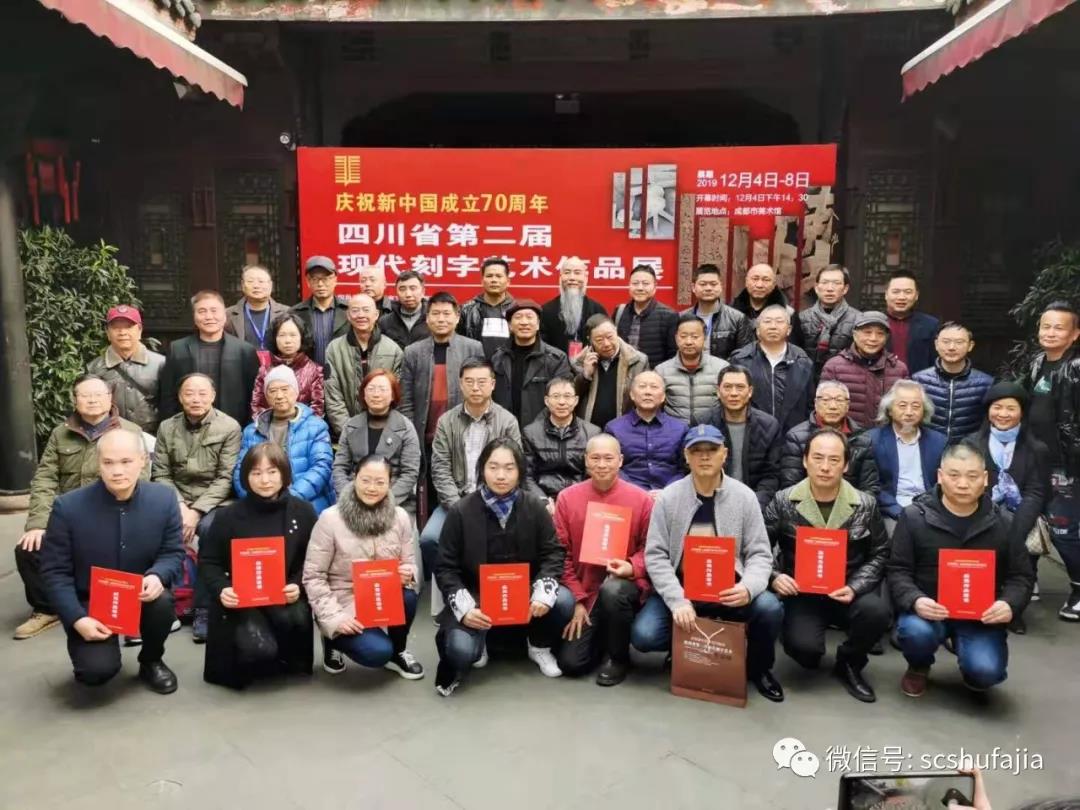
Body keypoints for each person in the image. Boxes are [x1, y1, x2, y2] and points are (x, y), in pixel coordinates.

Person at [632, 425, 785, 702]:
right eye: (696, 451)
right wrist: (677, 600)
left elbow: (760, 554)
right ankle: (684, 649)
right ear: (686, 456)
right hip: (682, 588)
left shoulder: (745, 497)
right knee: (645, 635)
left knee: (769, 607)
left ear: (724, 454)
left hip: (730, 590)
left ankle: (759, 668)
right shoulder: (669, 497)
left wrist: (748, 588)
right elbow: (656, 555)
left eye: (712, 450)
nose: (704, 457)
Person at [39, 429, 184, 693]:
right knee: (95, 672)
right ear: (98, 463)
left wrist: (158, 574)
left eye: (126, 461)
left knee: (162, 601)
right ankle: (95, 653)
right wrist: (76, 619)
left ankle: (151, 659)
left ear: (143, 460)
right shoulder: (67, 507)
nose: (117, 471)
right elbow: (54, 572)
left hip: (140, 594)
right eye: (108, 462)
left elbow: (173, 552)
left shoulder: (163, 499)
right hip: (90, 601)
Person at [887, 441, 1034, 698]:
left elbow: (1021, 576)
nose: (963, 484)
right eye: (954, 475)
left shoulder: (1004, 522)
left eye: (972, 476)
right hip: (930, 611)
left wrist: (1009, 604)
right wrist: (915, 600)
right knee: (915, 632)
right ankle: (919, 665)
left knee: (986, 672)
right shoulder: (914, 517)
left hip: (980, 617)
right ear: (940, 476)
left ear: (985, 479)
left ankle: (970, 658)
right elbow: (898, 569)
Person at [432, 439, 574, 696]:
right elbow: (445, 567)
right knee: (460, 651)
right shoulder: (461, 511)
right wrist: (465, 608)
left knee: (563, 600)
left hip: (525, 592)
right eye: (493, 467)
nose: (500, 475)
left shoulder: (535, 507)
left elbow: (553, 553)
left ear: (520, 471)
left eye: (509, 468)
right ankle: (481, 639)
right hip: (476, 595)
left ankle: (538, 645)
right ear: (482, 469)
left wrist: (543, 590)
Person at [14, 375, 144, 640]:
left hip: (111, 512)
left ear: (110, 399)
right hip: (67, 514)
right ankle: (46, 608)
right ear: (75, 400)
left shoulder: (129, 432)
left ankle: (115, 604)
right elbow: (45, 478)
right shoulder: (60, 433)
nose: (92, 400)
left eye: (98, 395)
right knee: (29, 547)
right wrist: (38, 523)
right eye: (85, 395)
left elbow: (138, 480)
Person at [765, 428, 891, 702]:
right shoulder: (784, 500)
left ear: (846, 465)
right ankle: (797, 636)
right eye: (818, 458)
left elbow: (881, 552)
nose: (825, 467)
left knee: (877, 612)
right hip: (802, 592)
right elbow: (759, 547)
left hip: (848, 588)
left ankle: (850, 662)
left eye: (834, 460)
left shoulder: (865, 505)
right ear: (804, 460)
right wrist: (775, 576)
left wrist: (855, 586)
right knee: (806, 654)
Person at [199, 442, 317, 689]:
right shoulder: (227, 516)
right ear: (246, 477)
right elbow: (209, 561)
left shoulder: (303, 512)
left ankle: (285, 655)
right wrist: (222, 589)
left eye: (272, 472)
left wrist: (297, 585)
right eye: (256, 473)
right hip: (242, 602)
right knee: (259, 649)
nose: (265, 480)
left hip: (283, 597)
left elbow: (312, 561)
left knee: (297, 617)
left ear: (284, 474)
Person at [304, 454, 424, 679]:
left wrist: (408, 574)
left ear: (390, 483)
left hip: (379, 596)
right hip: (343, 600)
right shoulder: (330, 519)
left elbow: (409, 563)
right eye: (365, 480)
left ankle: (399, 651)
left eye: (380, 482)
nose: (372, 488)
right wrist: (335, 619)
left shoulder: (400, 517)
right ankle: (332, 639)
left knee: (408, 596)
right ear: (354, 478)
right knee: (378, 652)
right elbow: (313, 576)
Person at [554, 434, 653, 685]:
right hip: (585, 590)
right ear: (586, 460)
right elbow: (560, 553)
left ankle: (618, 658)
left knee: (613, 590)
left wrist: (632, 566)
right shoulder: (567, 498)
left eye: (608, 458)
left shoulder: (641, 499)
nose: (601, 464)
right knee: (571, 664)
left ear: (620, 460)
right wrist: (577, 600)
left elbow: (651, 548)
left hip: (623, 588)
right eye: (595, 458)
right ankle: (600, 638)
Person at [151, 373, 242, 643]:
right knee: (152, 527)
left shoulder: (229, 427)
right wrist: (179, 505)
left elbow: (225, 478)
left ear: (213, 396)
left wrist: (196, 511)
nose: (196, 399)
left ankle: (204, 608)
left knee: (212, 531)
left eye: (203, 393)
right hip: (175, 498)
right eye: (189, 393)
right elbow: (161, 473)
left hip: (214, 501)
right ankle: (164, 604)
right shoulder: (167, 427)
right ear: (180, 397)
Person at [421, 359, 522, 582]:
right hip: (455, 501)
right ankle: (452, 586)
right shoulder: (446, 421)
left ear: (492, 384)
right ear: (460, 384)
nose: (475, 388)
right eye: (469, 382)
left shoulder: (507, 421)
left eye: (482, 382)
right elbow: (440, 469)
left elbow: (514, 468)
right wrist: (459, 508)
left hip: (496, 502)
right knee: (429, 539)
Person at [968, 382, 1051, 634]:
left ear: (1022, 412)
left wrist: (1017, 526)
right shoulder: (971, 444)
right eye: (997, 407)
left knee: (1019, 549)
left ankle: (1013, 610)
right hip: (980, 512)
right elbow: (967, 485)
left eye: (1011, 408)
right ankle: (980, 604)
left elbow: (1037, 491)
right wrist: (993, 517)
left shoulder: (1037, 449)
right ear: (988, 410)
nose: (1003, 414)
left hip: (1021, 515)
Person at [1022, 302, 1080, 621]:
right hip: (1034, 460)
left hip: (1066, 464)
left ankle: (1079, 589)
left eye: (1059, 327)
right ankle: (1026, 581)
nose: (1051, 332)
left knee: (1063, 529)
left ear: (1074, 334)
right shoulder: (1036, 362)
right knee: (1027, 519)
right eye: (1046, 326)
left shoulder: (1077, 367)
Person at [234, 366, 335, 514]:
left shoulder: (315, 426)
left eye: (285, 389)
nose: (279, 396)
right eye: (273, 391)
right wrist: (254, 500)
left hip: (306, 502)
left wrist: (289, 498)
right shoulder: (252, 430)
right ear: (266, 396)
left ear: (296, 391)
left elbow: (322, 467)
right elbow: (240, 470)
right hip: (259, 503)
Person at [159, 290, 260, 427]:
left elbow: (254, 396)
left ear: (224, 315)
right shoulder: (177, 348)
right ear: (194, 317)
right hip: (188, 426)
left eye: (214, 311)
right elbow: (168, 394)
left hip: (233, 426)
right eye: (202, 311)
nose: (209, 316)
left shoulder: (244, 350)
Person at [399, 292, 485, 454]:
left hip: (463, 433)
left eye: (446, 314)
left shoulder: (473, 348)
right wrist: (410, 434)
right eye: (435, 313)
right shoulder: (413, 352)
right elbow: (406, 400)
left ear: (457, 317)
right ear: (427, 318)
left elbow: (482, 393)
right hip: (423, 434)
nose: (441, 319)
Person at [332, 370, 421, 518]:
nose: (376, 394)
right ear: (363, 394)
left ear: (393, 395)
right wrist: (349, 498)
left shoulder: (405, 428)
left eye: (382, 389)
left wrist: (385, 501)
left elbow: (410, 473)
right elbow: (340, 467)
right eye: (371, 389)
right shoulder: (351, 426)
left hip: (394, 500)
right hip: (354, 498)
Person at [870, 380, 947, 534]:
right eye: (902, 405)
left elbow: (943, 484)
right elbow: (874, 487)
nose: (909, 412)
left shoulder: (939, 441)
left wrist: (926, 510)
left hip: (930, 509)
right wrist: (899, 512)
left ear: (924, 410)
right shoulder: (873, 440)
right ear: (890, 410)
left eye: (916, 406)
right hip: (890, 511)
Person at [323, 293, 404, 438]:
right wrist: (349, 433)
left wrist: (383, 430)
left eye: (366, 310)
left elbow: (397, 395)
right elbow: (333, 396)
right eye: (355, 310)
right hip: (346, 432)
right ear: (348, 316)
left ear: (376, 314)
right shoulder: (334, 349)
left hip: (385, 432)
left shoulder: (393, 350)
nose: (361, 315)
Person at [705, 365, 783, 510]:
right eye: (727, 387)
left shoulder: (769, 425)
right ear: (718, 391)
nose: (733, 393)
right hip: (712, 501)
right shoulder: (703, 423)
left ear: (750, 391)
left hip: (754, 503)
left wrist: (754, 505)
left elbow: (771, 475)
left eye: (740, 387)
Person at [780, 380, 879, 493]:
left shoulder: (862, 438)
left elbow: (870, 487)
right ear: (816, 403)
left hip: (852, 500)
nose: (833, 406)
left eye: (839, 400)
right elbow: (791, 486)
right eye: (826, 400)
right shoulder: (797, 437)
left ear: (847, 405)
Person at [729, 304, 815, 434]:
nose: (773, 326)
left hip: (793, 435)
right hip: (752, 434)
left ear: (789, 329)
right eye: (767, 321)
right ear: (757, 330)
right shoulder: (740, 360)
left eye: (779, 322)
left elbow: (810, 405)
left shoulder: (803, 362)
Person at [522, 377, 600, 512]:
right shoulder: (531, 433)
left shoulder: (592, 433)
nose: (562, 402)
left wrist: (577, 499)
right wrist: (542, 501)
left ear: (576, 400)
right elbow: (526, 475)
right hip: (544, 497)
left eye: (567, 396)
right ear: (546, 401)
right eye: (556, 396)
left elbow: (593, 474)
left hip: (580, 498)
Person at [491, 299, 572, 428]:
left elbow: (561, 399)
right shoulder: (498, 358)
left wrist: (535, 430)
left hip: (542, 430)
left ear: (538, 324)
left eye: (529, 317)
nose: (524, 322)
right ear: (510, 325)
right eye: (518, 317)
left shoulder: (556, 359)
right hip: (504, 428)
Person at [821, 311, 908, 428]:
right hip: (847, 435)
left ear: (886, 338)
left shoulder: (899, 369)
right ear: (854, 335)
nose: (873, 338)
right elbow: (823, 407)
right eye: (867, 332)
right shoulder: (834, 366)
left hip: (885, 435)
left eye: (880, 334)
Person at [606, 371, 688, 494]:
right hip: (627, 494)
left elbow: (685, 468)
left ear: (663, 396)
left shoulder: (680, 428)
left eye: (654, 387)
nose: (648, 392)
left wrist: (667, 492)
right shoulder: (614, 428)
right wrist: (639, 493)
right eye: (642, 386)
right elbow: (611, 467)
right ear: (632, 395)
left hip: (672, 495)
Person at [86, 305, 165, 434]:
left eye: (128, 327)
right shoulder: (94, 367)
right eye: (116, 328)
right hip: (110, 436)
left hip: (152, 436)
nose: (122, 332)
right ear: (108, 333)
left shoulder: (160, 364)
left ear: (139, 330)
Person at [912, 322, 993, 444]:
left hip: (968, 449)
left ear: (970, 346)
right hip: (928, 447)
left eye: (959, 342)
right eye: (946, 342)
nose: (951, 347)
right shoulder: (919, 380)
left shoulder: (985, 383)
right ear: (936, 344)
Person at [571, 314, 647, 429]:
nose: (606, 344)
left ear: (616, 332)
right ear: (589, 340)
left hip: (626, 430)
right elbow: (571, 397)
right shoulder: (578, 363)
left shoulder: (637, 361)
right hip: (588, 430)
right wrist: (585, 375)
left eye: (610, 337)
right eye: (599, 340)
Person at [655, 313, 728, 426]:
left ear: (704, 337)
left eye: (695, 337)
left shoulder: (721, 368)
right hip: (675, 431)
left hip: (711, 431)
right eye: (683, 336)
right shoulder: (661, 371)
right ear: (676, 338)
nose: (688, 342)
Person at [249, 313, 325, 418]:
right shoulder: (265, 371)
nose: (288, 341)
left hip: (304, 426)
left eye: (293, 335)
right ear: (274, 338)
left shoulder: (314, 370)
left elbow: (317, 409)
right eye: (282, 335)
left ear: (302, 337)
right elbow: (257, 406)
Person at [797, 264, 862, 375]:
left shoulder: (858, 319)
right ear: (816, 287)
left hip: (843, 379)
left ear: (845, 289)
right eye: (825, 282)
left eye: (836, 283)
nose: (830, 288)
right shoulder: (803, 318)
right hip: (807, 379)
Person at [680, 263, 753, 360]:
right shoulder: (681, 317)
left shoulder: (738, 319)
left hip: (725, 369)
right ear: (693, 287)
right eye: (703, 284)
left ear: (721, 286)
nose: (708, 288)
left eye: (713, 284)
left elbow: (744, 357)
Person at [540, 256, 607, 357]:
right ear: (560, 277)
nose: (572, 278)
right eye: (567, 272)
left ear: (585, 277)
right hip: (555, 365)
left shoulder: (597, 310)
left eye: (577, 273)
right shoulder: (546, 311)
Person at [613, 264, 678, 369]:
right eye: (635, 283)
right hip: (623, 374)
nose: (640, 288)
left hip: (654, 375)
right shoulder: (619, 312)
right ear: (629, 285)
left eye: (645, 284)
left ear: (655, 287)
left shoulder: (669, 316)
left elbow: (673, 355)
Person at [291, 255, 350, 367]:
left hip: (342, 373)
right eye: (315, 279)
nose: (320, 284)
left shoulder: (349, 310)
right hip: (307, 374)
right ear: (308, 281)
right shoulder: (295, 313)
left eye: (326, 279)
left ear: (335, 279)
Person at [730, 262, 804, 348]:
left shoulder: (788, 313)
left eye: (766, 280)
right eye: (755, 279)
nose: (759, 285)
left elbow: (793, 349)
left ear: (774, 284)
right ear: (746, 282)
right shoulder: (731, 313)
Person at [224, 264, 291, 352]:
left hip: (276, 360)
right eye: (250, 281)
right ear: (242, 285)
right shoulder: (227, 314)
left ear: (270, 285)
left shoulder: (287, 312)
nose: (256, 286)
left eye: (261, 281)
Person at [458, 257, 516, 358]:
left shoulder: (517, 310)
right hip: (475, 365)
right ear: (482, 281)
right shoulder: (466, 310)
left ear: (508, 281)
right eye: (489, 276)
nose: (494, 280)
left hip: (510, 364)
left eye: (499, 276)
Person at [884, 271, 939, 373]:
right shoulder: (874, 323)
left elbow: (936, 362)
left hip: (918, 381)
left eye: (908, 292)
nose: (901, 297)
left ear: (916, 295)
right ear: (886, 294)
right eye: (896, 292)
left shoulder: (930, 325)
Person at [378, 270, 430, 348]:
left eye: (413, 288)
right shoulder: (385, 322)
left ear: (423, 291)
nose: (408, 294)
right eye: (402, 289)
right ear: (396, 292)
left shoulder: (433, 318)